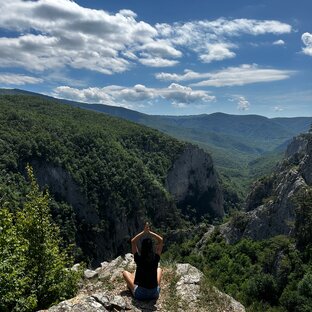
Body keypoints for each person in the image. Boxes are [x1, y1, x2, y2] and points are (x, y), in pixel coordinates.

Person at [123, 222, 163, 300]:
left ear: (142, 248)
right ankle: (155, 287)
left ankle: (134, 288)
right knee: (159, 269)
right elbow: (161, 240)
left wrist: (144, 232)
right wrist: (150, 232)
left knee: (125, 273)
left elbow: (133, 242)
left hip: (140, 295)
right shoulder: (155, 258)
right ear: (152, 248)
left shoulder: (138, 259)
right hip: (154, 294)